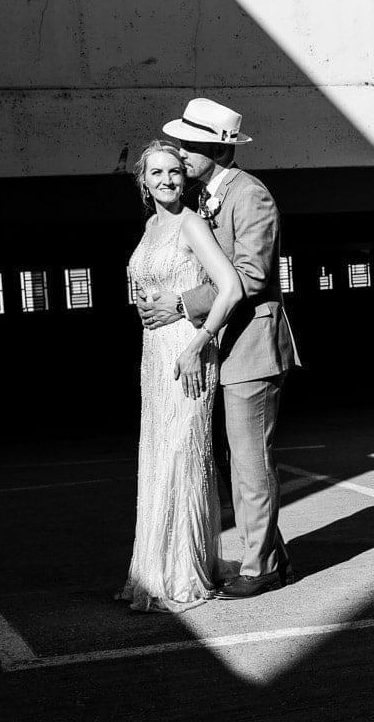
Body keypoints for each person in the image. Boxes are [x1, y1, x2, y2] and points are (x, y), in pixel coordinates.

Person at [138, 98, 299, 600]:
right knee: (231, 462)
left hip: (250, 346)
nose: (181, 154)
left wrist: (182, 305)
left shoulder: (251, 196)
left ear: (213, 148)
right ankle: (269, 552)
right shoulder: (202, 198)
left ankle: (260, 568)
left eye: (188, 145)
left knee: (250, 464)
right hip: (215, 347)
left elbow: (251, 276)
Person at [118, 140, 244, 613]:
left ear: (183, 177)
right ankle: (153, 570)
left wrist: (199, 343)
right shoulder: (151, 226)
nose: (168, 180)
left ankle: (183, 572)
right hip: (156, 353)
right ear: (144, 183)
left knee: (181, 453)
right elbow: (150, 285)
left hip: (188, 351)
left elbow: (229, 287)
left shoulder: (191, 222)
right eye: (157, 174)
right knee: (157, 453)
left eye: (174, 171)